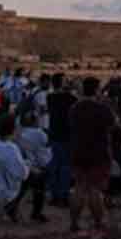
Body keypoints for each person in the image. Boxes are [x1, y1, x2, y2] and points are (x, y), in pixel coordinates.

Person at [68, 77, 115, 236]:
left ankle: (74, 222)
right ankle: (98, 223)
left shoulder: (74, 108)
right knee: (95, 189)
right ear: (97, 90)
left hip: (78, 151)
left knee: (79, 187)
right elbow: (114, 126)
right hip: (98, 153)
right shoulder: (102, 108)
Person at [0, 114, 29, 220]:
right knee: (37, 177)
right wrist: (28, 165)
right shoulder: (11, 148)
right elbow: (21, 174)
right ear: (12, 129)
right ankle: (12, 207)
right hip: (3, 191)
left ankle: (11, 207)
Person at [11, 109, 51, 223]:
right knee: (38, 187)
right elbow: (46, 145)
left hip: (26, 165)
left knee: (25, 186)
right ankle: (36, 213)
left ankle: (13, 205)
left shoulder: (20, 133)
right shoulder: (39, 133)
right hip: (37, 166)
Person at [45, 73, 76, 206]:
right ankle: (63, 195)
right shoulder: (70, 98)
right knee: (65, 167)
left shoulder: (50, 97)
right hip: (66, 135)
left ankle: (54, 195)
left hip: (53, 134)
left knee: (55, 166)